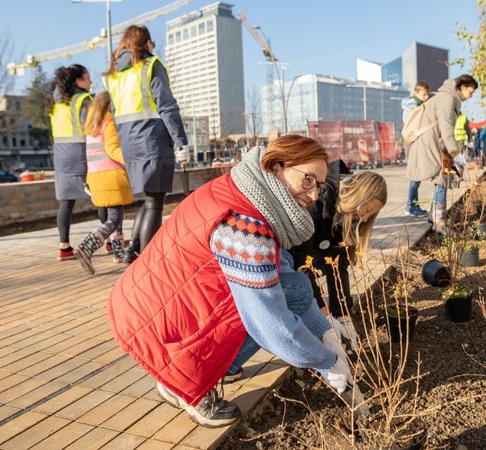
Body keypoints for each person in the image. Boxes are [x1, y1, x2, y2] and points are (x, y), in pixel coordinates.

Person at [107, 135, 354, 428]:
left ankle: (222, 366)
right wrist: (325, 361)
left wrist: (324, 329)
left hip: (147, 301)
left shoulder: (242, 190)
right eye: (308, 180)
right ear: (276, 167)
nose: (314, 196)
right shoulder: (245, 227)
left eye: (320, 185)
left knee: (294, 288)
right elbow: (271, 325)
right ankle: (184, 387)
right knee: (260, 309)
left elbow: (284, 274)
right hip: (158, 324)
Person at [102, 25, 189, 264]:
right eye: (152, 43)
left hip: (130, 145)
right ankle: (149, 260)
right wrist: (181, 142)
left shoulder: (115, 75)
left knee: (150, 199)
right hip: (153, 141)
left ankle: (133, 252)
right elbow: (167, 106)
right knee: (155, 203)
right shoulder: (151, 66)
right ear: (147, 44)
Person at [293, 167, 388, 339]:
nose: (365, 219)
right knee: (298, 293)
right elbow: (301, 265)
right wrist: (324, 315)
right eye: (367, 211)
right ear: (359, 196)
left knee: (335, 256)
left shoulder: (345, 218)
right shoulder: (318, 205)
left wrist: (343, 315)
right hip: (284, 258)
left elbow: (338, 263)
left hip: (309, 254)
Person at [406, 75, 478, 233]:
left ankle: (434, 217)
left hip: (433, 144)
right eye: (470, 92)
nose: (470, 96)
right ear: (463, 87)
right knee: (442, 180)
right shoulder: (447, 99)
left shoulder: (447, 97)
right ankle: (439, 224)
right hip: (431, 144)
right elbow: (446, 131)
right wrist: (457, 154)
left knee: (441, 179)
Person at [73, 92, 133, 274]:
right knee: (114, 219)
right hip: (111, 175)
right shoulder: (108, 122)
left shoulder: (92, 125)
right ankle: (86, 247)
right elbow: (113, 149)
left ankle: (118, 254)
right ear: (110, 105)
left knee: (114, 216)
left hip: (96, 177)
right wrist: (131, 160)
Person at [48, 64, 98, 261]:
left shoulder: (55, 104)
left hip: (60, 157)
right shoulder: (84, 100)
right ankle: (112, 241)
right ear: (78, 81)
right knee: (101, 197)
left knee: (66, 203)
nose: (90, 82)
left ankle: (64, 247)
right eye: (87, 78)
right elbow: (93, 127)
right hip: (81, 154)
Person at [401, 81, 430, 217]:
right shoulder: (414, 106)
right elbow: (414, 125)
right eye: (424, 94)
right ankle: (411, 206)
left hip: (413, 141)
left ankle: (413, 205)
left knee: (416, 176)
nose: (426, 97)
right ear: (416, 92)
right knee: (415, 176)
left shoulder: (415, 105)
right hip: (414, 141)